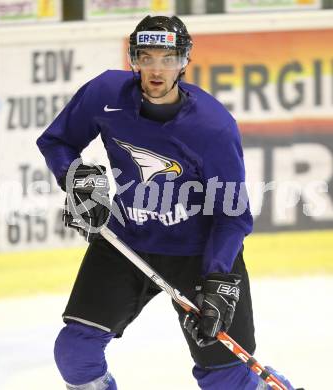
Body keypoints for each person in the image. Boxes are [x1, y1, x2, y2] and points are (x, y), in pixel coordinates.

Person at [37, 15, 296, 390]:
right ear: (134, 59)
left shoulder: (212, 127)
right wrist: (74, 178)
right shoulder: (106, 95)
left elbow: (233, 214)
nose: (157, 69)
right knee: (75, 354)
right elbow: (57, 142)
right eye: (147, 57)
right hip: (126, 242)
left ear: (184, 61)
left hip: (198, 255)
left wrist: (219, 278)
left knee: (225, 381)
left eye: (168, 58)